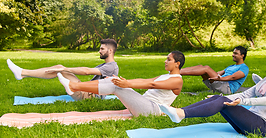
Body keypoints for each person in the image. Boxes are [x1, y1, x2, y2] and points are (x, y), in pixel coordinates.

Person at [159, 49, 266, 137]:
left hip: (261, 127)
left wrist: (241, 102)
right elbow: (246, 94)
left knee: (221, 101)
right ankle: (179, 112)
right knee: (218, 98)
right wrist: (221, 98)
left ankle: (181, 114)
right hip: (246, 123)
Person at [57, 51, 185, 117]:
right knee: (114, 80)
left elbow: (152, 85)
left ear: (177, 64)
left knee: (115, 85)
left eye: (169, 59)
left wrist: (127, 85)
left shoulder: (177, 80)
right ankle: (74, 87)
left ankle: (73, 87)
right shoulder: (166, 76)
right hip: (144, 104)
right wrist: (125, 82)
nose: (165, 61)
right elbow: (146, 81)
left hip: (151, 110)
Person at [7, 39, 119, 100]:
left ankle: (22, 73)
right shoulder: (104, 65)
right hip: (88, 92)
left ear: (110, 51)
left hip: (90, 97)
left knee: (60, 69)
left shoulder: (111, 66)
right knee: (59, 68)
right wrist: (64, 69)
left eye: (102, 49)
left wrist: (65, 69)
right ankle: (23, 73)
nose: (99, 51)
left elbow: (86, 71)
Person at [180, 46, 249, 94]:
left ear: (242, 55)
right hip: (220, 82)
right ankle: (178, 70)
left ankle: (177, 72)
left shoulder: (244, 68)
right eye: (233, 53)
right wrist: (209, 74)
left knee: (206, 68)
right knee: (201, 67)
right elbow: (219, 72)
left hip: (227, 88)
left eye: (235, 53)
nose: (233, 55)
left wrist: (219, 79)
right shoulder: (232, 66)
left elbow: (233, 77)